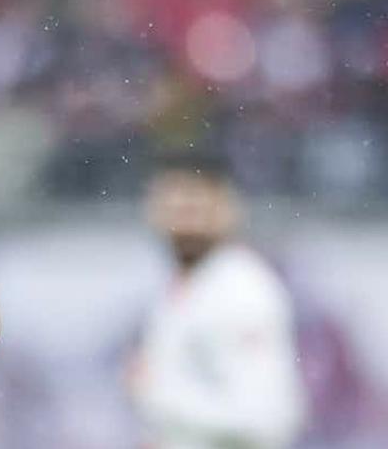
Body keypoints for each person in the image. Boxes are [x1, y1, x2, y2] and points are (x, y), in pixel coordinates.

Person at [129, 151, 306, 449]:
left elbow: (266, 415)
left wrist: (158, 392)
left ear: (227, 210)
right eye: (170, 208)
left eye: (193, 210)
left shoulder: (242, 289)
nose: (182, 225)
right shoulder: (186, 288)